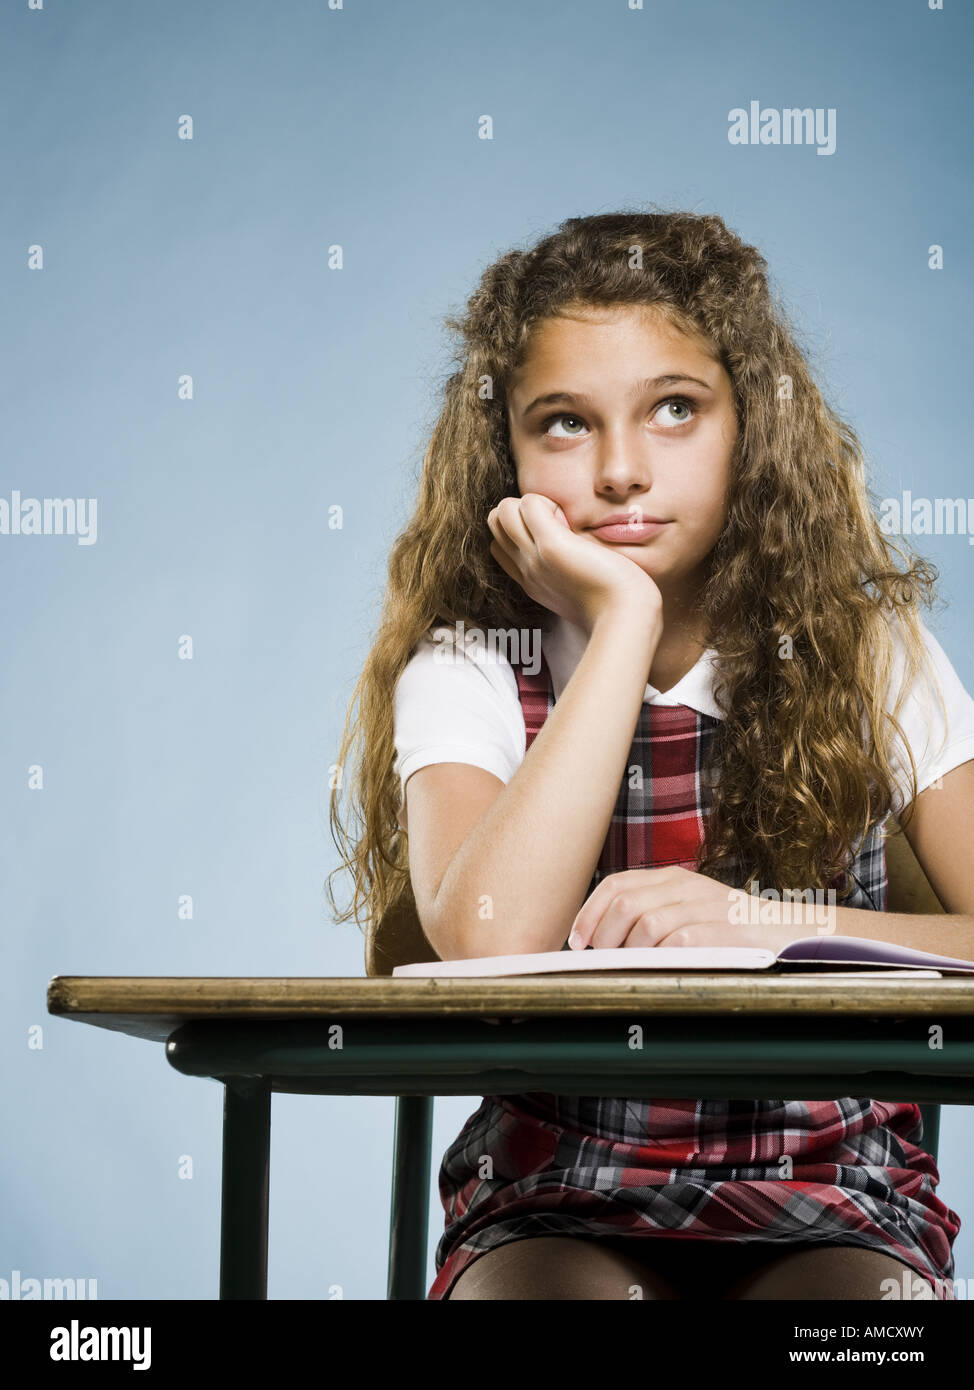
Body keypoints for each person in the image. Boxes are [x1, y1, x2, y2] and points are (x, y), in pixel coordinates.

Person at [327, 209, 974, 1300]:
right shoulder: (472, 664)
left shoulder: (867, 654)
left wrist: (769, 926)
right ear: (508, 450)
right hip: (555, 1193)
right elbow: (488, 944)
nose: (622, 470)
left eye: (673, 410)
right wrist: (618, 622)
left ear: (748, 429)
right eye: (565, 424)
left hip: (834, 1193)